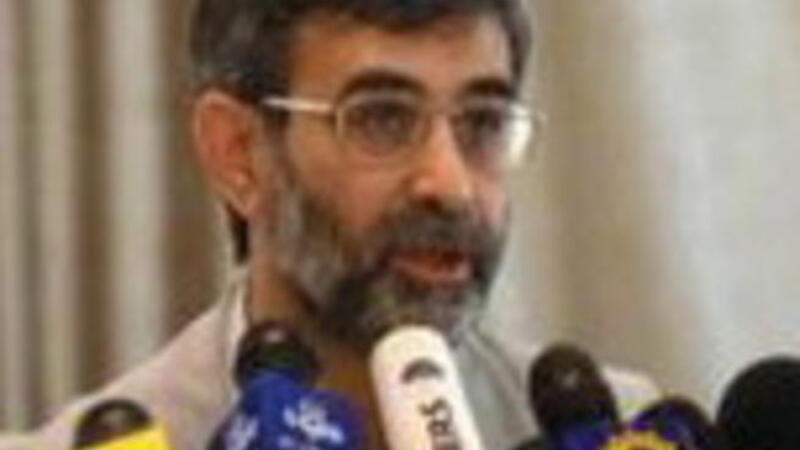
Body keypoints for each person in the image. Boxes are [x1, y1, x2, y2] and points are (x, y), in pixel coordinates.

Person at [19, 0, 658, 448]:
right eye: (381, 118)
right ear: (238, 154)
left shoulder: (624, 429)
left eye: (484, 122)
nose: (450, 185)